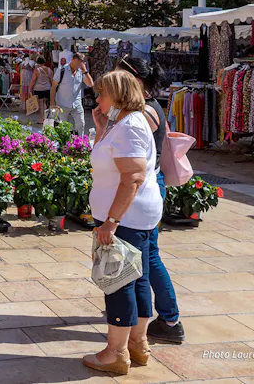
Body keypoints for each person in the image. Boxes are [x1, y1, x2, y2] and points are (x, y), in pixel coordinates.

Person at [83, 70, 162, 376]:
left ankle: (115, 353)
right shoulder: (124, 123)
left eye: (102, 93)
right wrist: (101, 129)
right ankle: (137, 344)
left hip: (126, 217)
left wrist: (111, 222)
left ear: (118, 95)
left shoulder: (130, 126)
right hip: (132, 216)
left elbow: (132, 177)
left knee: (118, 280)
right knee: (137, 278)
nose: (98, 99)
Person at [116, 56, 184, 344]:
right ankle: (160, 317)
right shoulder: (147, 106)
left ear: (134, 80)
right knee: (147, 254)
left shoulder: (144, 112)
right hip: (149, 185)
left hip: (145, 187)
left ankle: (170, 319)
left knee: (149, 256)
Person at [52, 53, 95, 133]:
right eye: (76, 63)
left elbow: (90, 84)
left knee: (81, 124)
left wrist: (85, 71)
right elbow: (53, 87)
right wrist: (52, 103)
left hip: (76, 104)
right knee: (61, 127)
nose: (77, 65)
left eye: (80, 63)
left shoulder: (81, 71)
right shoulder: (62, 70)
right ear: (72, 60)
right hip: (62, 104)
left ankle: (79, 140)